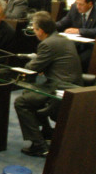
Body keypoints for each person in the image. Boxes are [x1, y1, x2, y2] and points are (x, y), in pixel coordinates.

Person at [14, 11, 84, 157]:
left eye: (34, 29)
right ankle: (46, 132)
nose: (34, 32)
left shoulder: (47, 44)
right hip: (72, 85)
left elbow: (32, 68)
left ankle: (40, 146)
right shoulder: (62, 39)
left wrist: (31, 62)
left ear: (41, 31)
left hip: (60, 88)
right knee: (29, 93)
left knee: (21, 102)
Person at [56, 0, 96, 69]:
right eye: (76, 3)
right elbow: (63, 23)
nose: (78, 6)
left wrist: (79, 31)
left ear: (90, 4)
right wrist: (49, 26)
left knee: (76, 61)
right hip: (76, 44)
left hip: (92, 47)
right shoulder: (74, 8)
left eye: (81, 4)